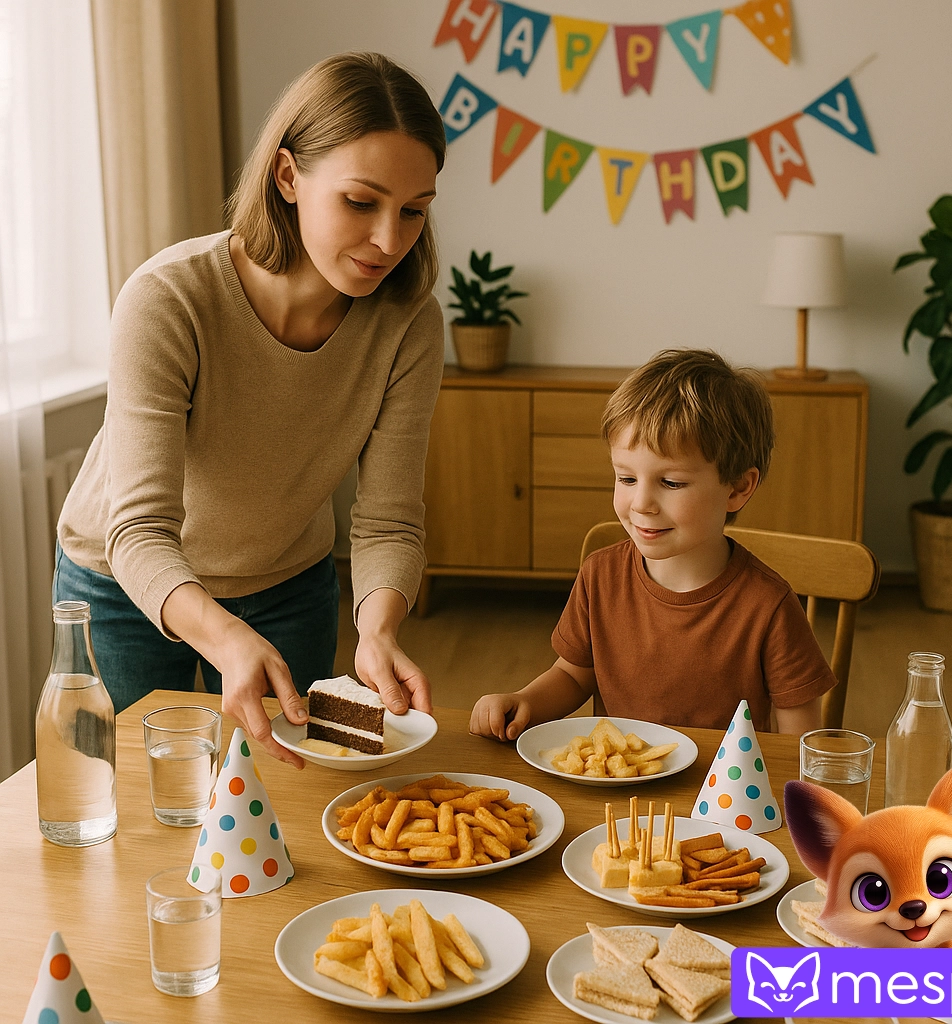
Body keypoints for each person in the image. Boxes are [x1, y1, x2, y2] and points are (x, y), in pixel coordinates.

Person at [55, 52, 446, 767]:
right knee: (135, 812)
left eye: (414, 211)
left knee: (288, 805)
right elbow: (138, 528)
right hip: (124, 583)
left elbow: (389, 518)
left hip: (289, 581)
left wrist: (379, 627)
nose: (390, 240)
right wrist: (222, 634)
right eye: (362, 202)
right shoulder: (169, 299)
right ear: (289, 175)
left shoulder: (409, 323)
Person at [470, 348, 836, 742]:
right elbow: (572, 676)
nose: (641, 503)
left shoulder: (770, 606)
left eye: (671, 483)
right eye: (626, 479)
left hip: (721, 801)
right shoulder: (600, 575)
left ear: (738, 488)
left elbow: (801, 747)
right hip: (617, 796)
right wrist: (524, 700)